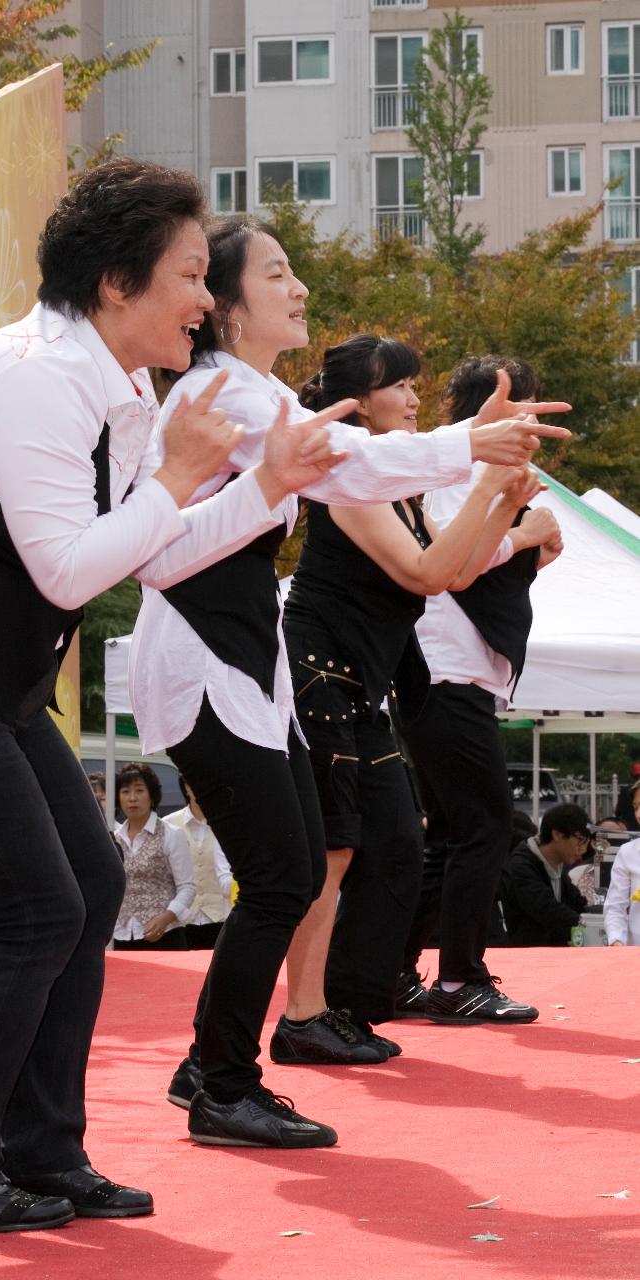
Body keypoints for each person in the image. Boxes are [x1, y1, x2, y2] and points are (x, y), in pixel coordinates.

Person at [0, 160, 344, 1233]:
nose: (207, 299)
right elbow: (68, 569)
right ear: (116, 281)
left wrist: (265, 488)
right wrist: (175, 479)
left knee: (90, 882)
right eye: (193, 275)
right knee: (32, 908)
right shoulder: (39, 375)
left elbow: (157, 554)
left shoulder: (113, 386)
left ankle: (41, 1149)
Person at [129, 215, 571, 1148]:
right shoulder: (226, 396)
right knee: (289, 873)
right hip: (213, 657)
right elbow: (363, 473)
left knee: (297, 869)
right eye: (277, 274)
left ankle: (216, 1066)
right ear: (227, 302)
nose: (297, 289)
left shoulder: (256, 395)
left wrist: (473, 458)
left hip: (249, 665)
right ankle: (222, 1076)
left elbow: (367, 482)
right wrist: (473, 448)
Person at [274, 335, 551, 1068]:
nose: (413, 396)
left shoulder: (395, 486)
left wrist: (499, 495)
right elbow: (429, 571)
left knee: (397, 842)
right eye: (397, 385)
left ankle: (358, 1002)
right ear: (357, 404)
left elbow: (453, 571)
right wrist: (492, 486)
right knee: (333, 851)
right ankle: (304, 1014)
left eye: (413, 384)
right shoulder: (347, 479)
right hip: (317, 671)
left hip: (366, 682)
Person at [397, 355, 565, 1022]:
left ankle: (393, 971)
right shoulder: (451, 470)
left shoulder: (473, 471)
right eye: (525, 410)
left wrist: (530, 543)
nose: (532, 425)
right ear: (491, 408)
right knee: (485, 828)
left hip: (453, 672)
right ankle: (457, 978)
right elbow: (451, 565)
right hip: (444, 672)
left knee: (452, 834)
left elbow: (481, 571)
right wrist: (523, 531)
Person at [113, 763, 195, 950]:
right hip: (123, 935)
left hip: (165, 935)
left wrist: (167, 917)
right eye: (125, 792)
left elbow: (187, 887)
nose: (132, 798)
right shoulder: (114, 838)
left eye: (140, 791)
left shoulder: (171, 833)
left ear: (152, 795)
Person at [501, 803, 590, 945]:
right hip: (526, 957)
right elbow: (547, 910)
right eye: (580, 841)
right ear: (557, 834)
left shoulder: (558, 865)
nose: (583, 849)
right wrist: (589, 926)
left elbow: (577, 903)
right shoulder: (521, 865)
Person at [163, 775, 232, 949]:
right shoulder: (168, 825)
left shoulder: (228, 823)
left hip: (221, 917)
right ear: (185, 787)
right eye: (191, 781)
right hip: (181, 922)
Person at [604, 780, 640, 945]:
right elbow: (615, 907)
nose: (638, 814)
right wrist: (616, 940)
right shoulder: (627, 852)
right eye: (636, 807)